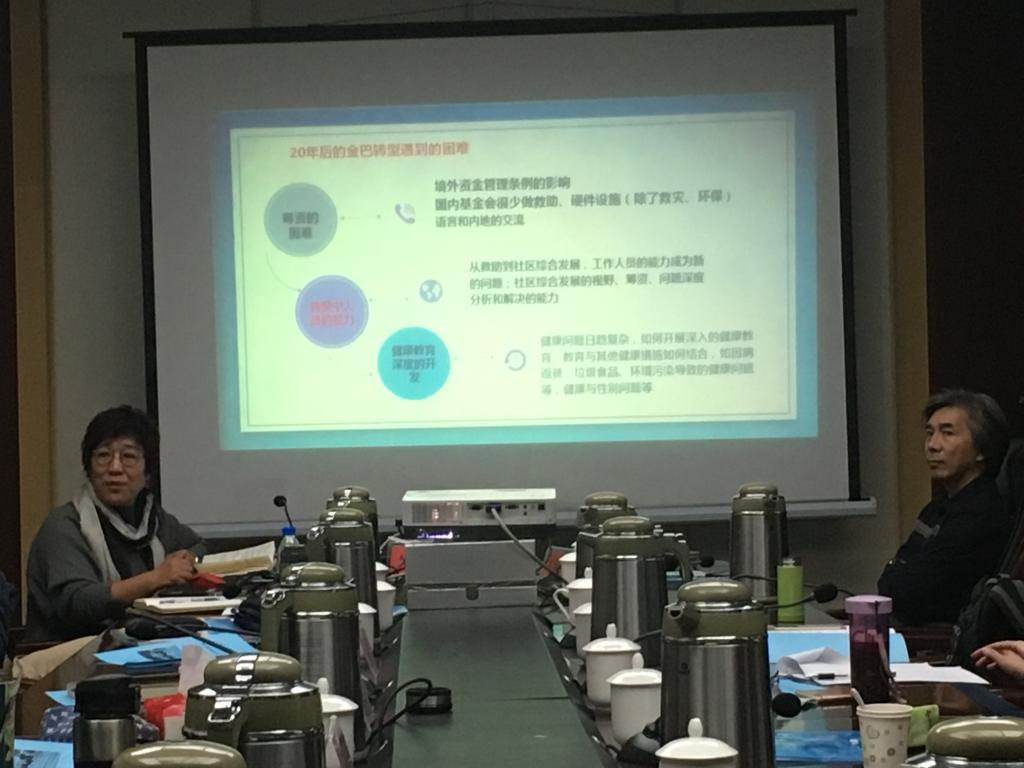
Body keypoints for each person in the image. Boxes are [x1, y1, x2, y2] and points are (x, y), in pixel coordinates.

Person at [25, 405, 206, 641]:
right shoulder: (64, 525)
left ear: (148, 472)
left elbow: (199, 547)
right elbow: (79, 603)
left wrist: (187, 561)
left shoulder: (153, 519)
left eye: (129, 457)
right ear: (89, 467)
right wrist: (156, 578)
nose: (115, 468)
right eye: (103, 456)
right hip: (66, 651)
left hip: (134, 643)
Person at [878, 390, 1012, 625]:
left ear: (982, 449)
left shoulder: (979, 515)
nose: (932, 445)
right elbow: (891, 583)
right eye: (930, 433)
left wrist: (896, 574)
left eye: (947, 433)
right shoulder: (938, 507)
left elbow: (910, 593)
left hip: (939, 638)